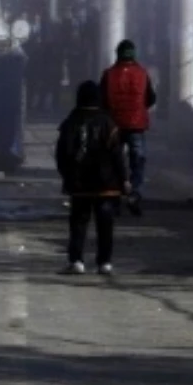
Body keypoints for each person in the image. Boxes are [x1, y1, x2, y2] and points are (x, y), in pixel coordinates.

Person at [56, 80, 127, 276]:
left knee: (78, 223)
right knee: (105, 224)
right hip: (106, 184)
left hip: (79, 185)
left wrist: (67, 176)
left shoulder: (70, 122)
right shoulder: (108, 123)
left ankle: (76, 261)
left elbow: (62, 155)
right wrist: (124, 180)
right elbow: (117, 156)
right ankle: (104, 262)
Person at [99, 39, 157, 216]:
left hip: (114, 124)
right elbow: (151, 98)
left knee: (115, 161)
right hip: (136, 125)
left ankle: (115, 196)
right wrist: (138, 109)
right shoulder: (142, 73)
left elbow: (102, 100)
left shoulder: (108, 74)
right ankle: (135, 191)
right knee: (137, 161)